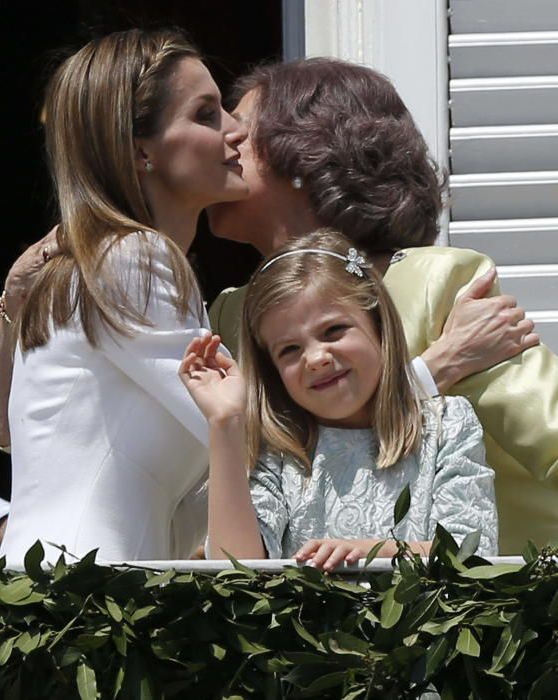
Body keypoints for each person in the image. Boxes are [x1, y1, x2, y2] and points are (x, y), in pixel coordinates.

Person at [205, 58, 558, 554]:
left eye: (238, 136)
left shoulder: (435, 282)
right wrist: (433, 370)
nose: (217, 144)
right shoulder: (227, 313)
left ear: (303, 156)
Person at [0, 28, 249, 565]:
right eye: (206, 114)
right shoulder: (133, 260)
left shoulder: (105, 261)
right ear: (140, 150)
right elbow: (245, 418)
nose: (237, 129)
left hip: (70, 589)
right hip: (86, 595)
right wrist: (422, 374)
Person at [180, 230, 498, 568]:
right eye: (290, 350)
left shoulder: (446, 424)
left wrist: (370, 554)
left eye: (333, 331)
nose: (316, 358)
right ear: (271, 370)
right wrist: (226, 422)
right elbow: (236, 570)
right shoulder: (276, 448)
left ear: (377, 324)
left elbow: (472, 552)